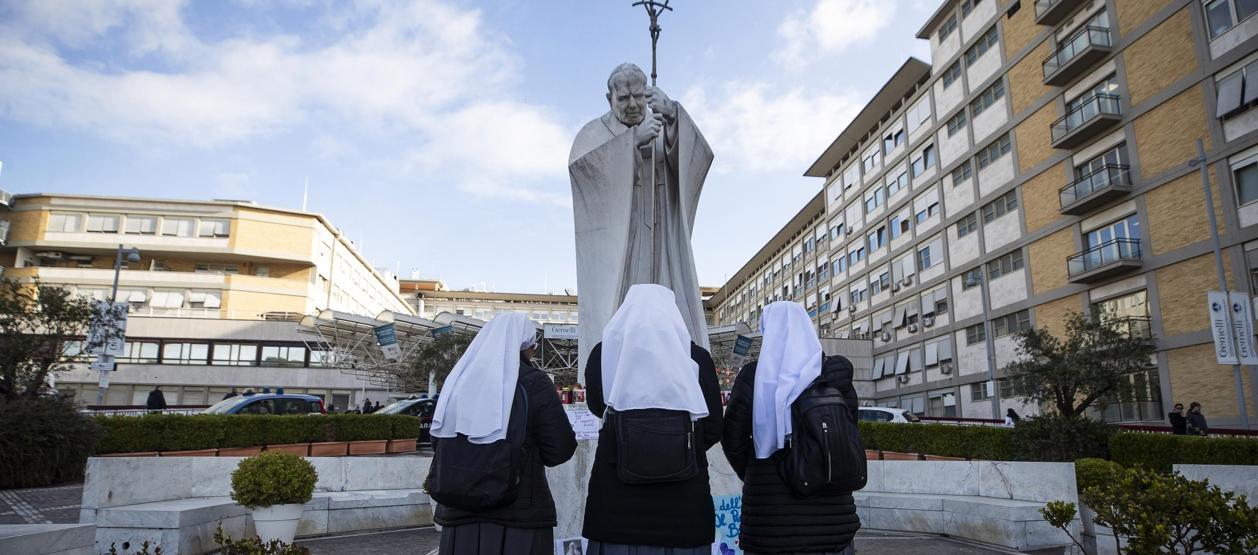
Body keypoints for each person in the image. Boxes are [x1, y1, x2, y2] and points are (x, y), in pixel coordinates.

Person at [568, 62, 716, 384]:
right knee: (624, 310)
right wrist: (632, 143)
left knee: (667, 301)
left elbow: (698, 158)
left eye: (638, 96)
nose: (633, 104)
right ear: (609, 97)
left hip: (661, 234)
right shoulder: (593, 133)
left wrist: (674, 116)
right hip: (623, 237)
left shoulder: (660, 121)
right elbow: (584, 171)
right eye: (624, 98)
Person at [582, 284, 723, 553]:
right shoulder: (697, 358)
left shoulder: (604, 353)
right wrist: (676, 448)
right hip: (685, 512)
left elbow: (597, 406)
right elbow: (714, 427)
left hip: (615, 512)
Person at [722, 301, 860, 554]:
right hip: (833, 518)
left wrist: (757, 469)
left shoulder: (753, 377)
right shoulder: (835, 375)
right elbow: (850, 432)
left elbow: (732, 438)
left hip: (771, 519)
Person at [432, 313, 577, 554]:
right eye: (533, 344)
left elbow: (438, 441)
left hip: (459, 513)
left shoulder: (457, 382)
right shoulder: (535, 382)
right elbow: (559, 450)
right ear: (525, 346)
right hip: (518, 515)